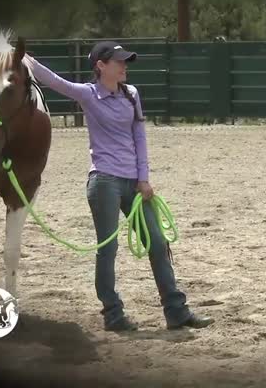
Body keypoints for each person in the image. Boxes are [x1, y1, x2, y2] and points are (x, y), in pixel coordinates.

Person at [25, 41, 214, 332]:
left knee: (158, 242)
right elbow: (55, 81)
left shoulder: (131, 94)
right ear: (100, 66)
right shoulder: (88, 94)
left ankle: (176, 311)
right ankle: (113, 314)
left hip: (134, 183)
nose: (125, 66)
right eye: (119, 62)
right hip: (104, 182)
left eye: (125, 61)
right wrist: (26, 60)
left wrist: (144, 178)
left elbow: (140, 137)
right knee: (108, 248)